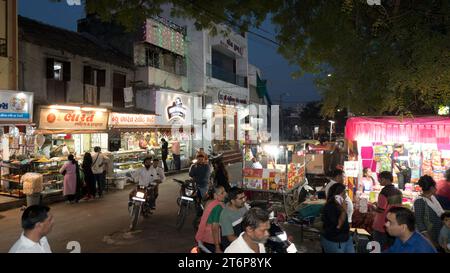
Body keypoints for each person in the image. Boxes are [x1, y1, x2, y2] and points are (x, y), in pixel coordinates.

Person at [372, 171, 403, 251]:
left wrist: (373, 206)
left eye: (380, 179)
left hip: (382, 225)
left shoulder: (384, 192)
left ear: (385, 179)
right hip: (394, 224)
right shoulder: (398, 192)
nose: (379, 181)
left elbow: (381, 209)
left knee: (377, 249)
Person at [320, 183, 355, 253]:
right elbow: (338, 226)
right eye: (344, 194)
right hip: (335, 241)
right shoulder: (330, 207)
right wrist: (344, 210)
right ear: (336, 196)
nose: (345, 196)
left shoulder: (340, 205)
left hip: (346, 238)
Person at [414, 175, 445, 248]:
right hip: (430, 236)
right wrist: (430, 241)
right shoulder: (420, 201)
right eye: (435, 187)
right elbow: (419, 222)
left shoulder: (433, 198)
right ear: (431, 188)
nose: (436, 189)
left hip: (437, 233)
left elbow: (440, 213)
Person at [195, 185, 226, 253]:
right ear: (215, 195)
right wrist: (217, 247)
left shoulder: (209, 202)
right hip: (213, 240)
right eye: (222, 193)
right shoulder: (218, 207)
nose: (225, 194)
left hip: (205, 237)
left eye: (225, 191)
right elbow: (215, 227)